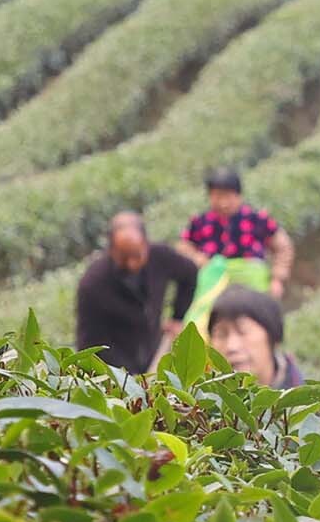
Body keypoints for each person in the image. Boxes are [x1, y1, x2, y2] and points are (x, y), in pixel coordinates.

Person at [74, 211, 198, 373]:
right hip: (117, 365)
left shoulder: (160, 257)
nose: (131, 264)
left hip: (152, 349)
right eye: (124, 257)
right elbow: (89, 343)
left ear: (146, 245)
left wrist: (177, 316)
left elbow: (189, 273)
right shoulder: (93, 284)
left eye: (137, 256)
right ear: (111, 250)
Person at [184, 166, 294, 299]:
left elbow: (283, 247)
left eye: (228, 197)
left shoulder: (257, 219)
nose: (223, 203)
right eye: (217, 197)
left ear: (238, 195)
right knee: (196, 316)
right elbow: (184, 246)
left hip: (251, 283)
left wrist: (277, 279)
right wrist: (197, 258)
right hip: (214, 285)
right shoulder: (200, 222)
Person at [203, 284, 303, 387]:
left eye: (243, 331)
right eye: (221, 334)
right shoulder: (198, 399)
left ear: (273, 336)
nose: (232, 346)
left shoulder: (309, 399)